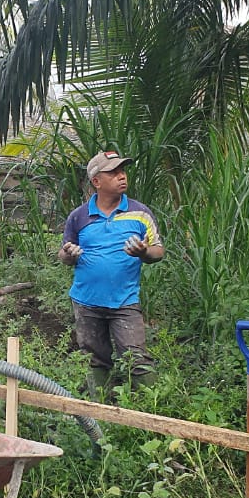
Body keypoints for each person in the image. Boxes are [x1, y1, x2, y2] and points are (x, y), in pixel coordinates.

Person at [59, 150, 164, 400]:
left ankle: (155, 411)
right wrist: (69, 254)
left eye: (123, 171)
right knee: (95, 358)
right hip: (86, 302)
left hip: (125, 301)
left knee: (137, 357)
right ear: (97, 181)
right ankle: (101, 413)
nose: (122, 176)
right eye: (114, 172)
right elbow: (63, 255)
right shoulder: (79, 217)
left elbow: (159, 251)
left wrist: (144, 252)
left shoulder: (140, 214)